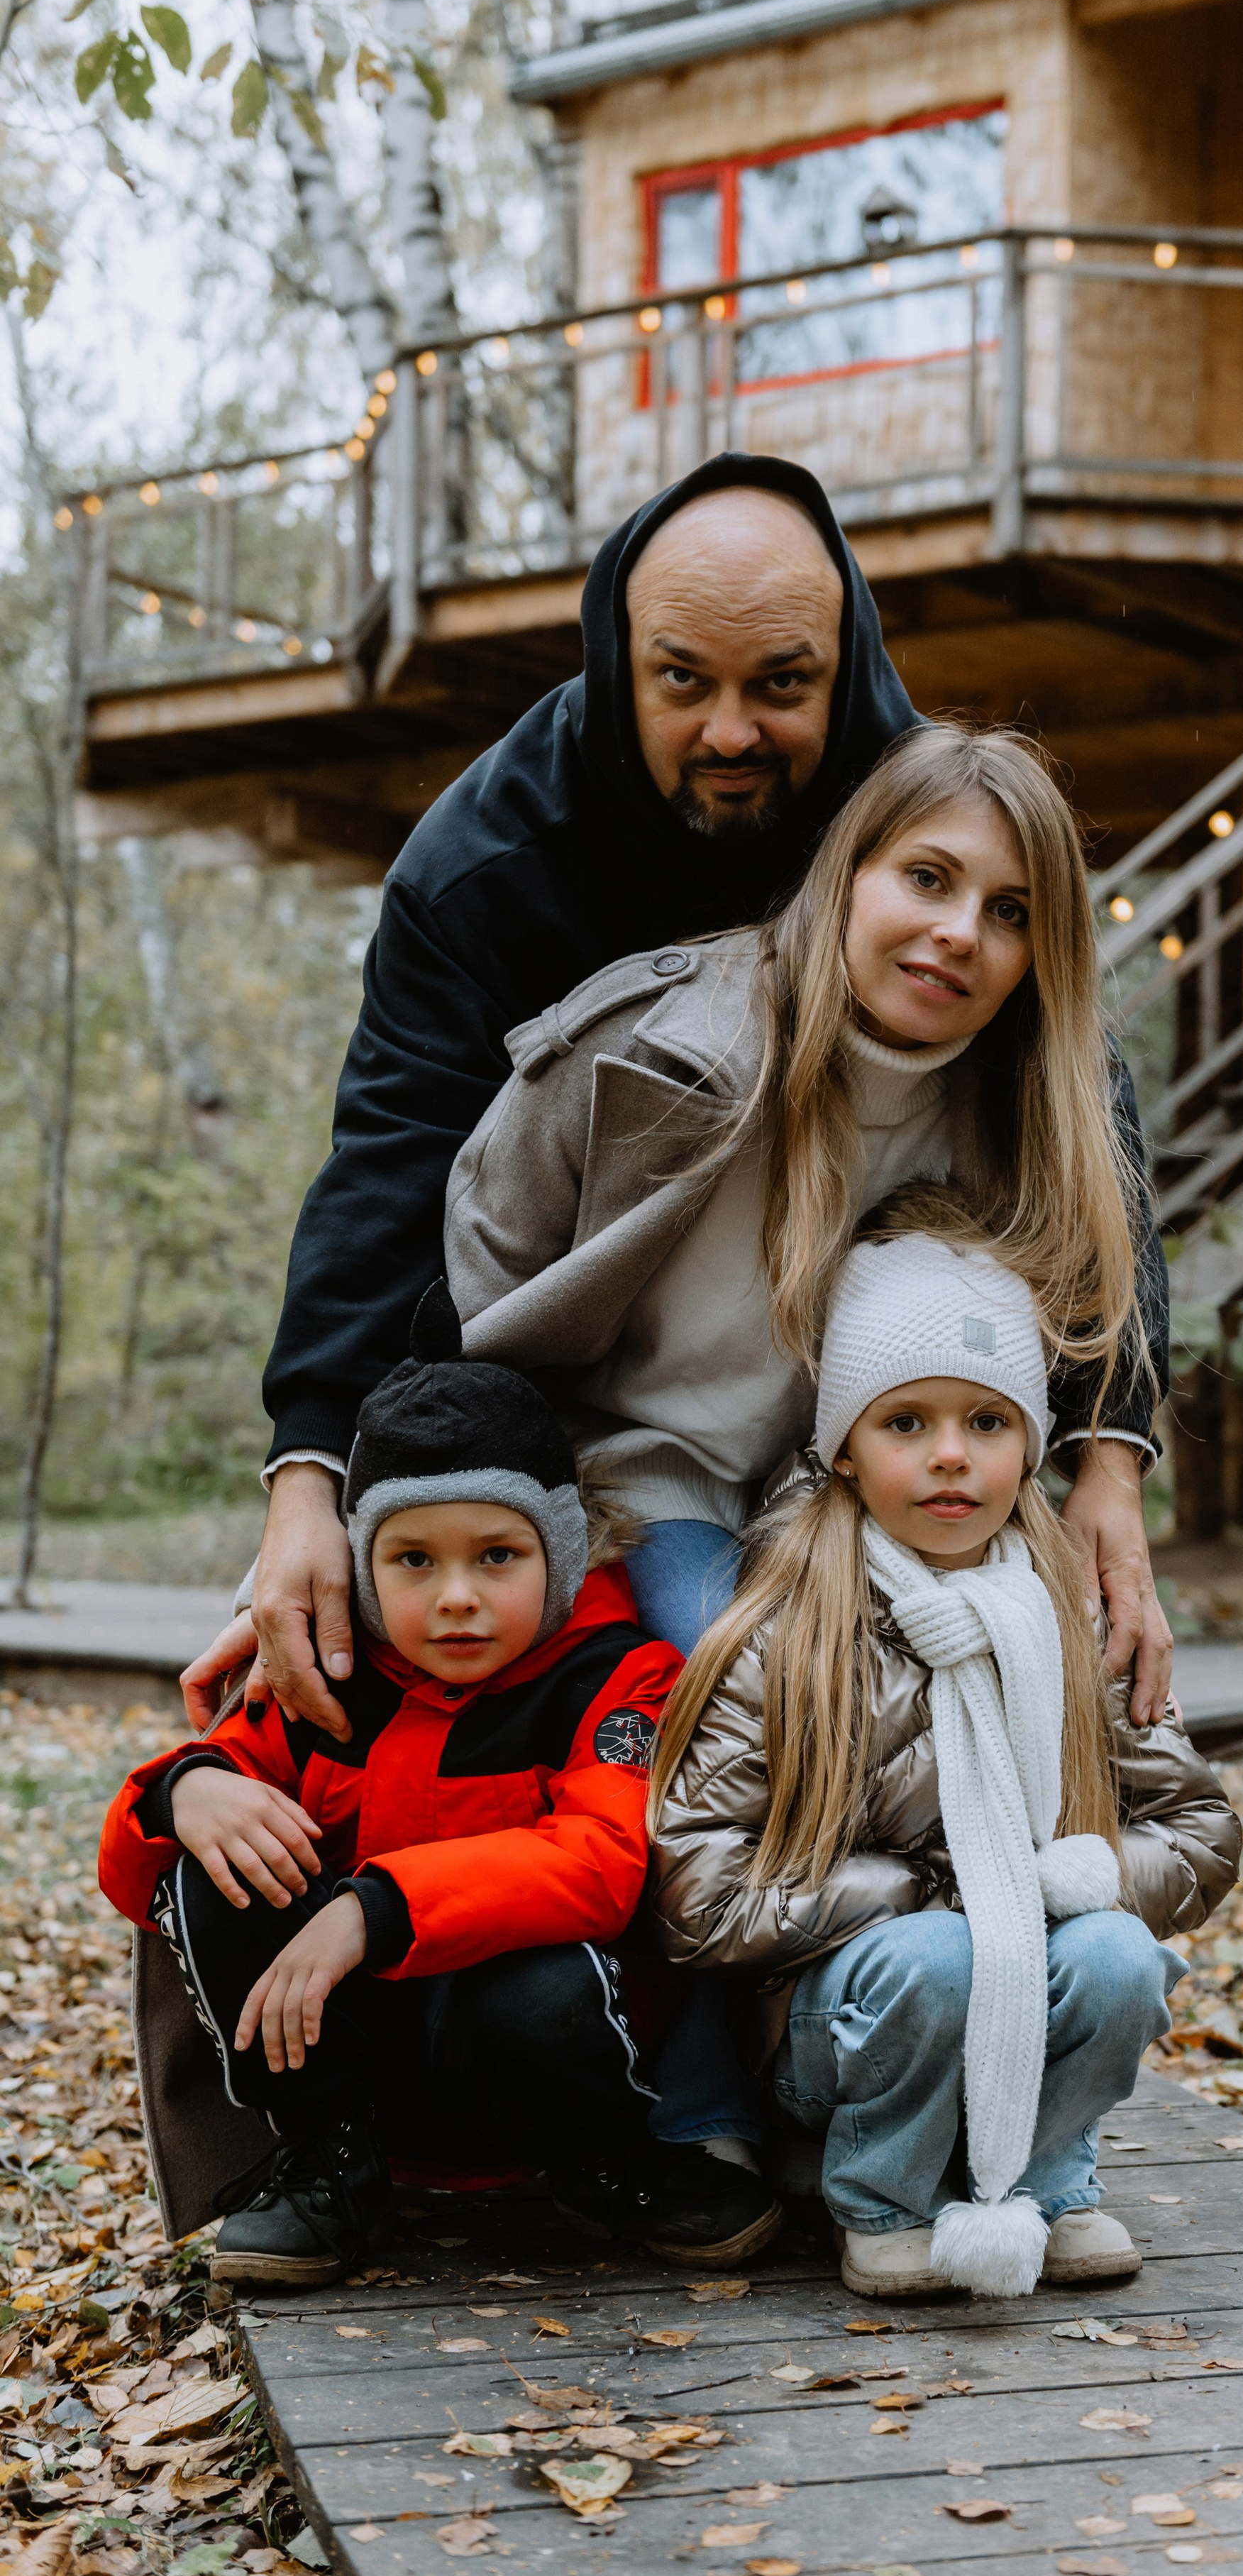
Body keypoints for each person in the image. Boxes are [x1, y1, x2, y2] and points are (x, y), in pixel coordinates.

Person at [181, 453, 1172, 1754]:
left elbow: (1084, 1124)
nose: (730, 731)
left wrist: (1110, 1457)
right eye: (681, 679)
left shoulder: (918, 831)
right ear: (615, 658)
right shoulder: (482, 867)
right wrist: (314, 1479)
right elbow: (390, 1161)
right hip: (602, 1417)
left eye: (782, 684)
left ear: (847, 665)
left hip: (854, 1417)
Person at [445, 721, 1169, 1673]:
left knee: (1022, 1673)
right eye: (927, 878)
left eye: (1011, 913)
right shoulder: (649, 1044)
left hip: (885, 1488)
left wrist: (1111, 1472)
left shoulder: (1035, 1101)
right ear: (849, 872)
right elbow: (482, 1269)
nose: (960, 931)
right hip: (661, 1478)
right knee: (765, 1685)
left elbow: (1110, 1288)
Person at [647, 1203, 1242, 2303]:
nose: (953, 1456)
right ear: (845, 1449)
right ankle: (883, 2197)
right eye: (907, 1424)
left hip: (1031, 1986)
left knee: (1116, 1954)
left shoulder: (1068, 1618)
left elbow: (1200, 1831)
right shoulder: (787, 1632)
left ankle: (1050, 2179)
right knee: (941, 1957)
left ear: (1028, 1442)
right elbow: (698, 1890)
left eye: (989, 1421)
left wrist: (1078, 1882)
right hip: (850, 2021)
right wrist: (929, 1893)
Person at [96, 1287, 732, 2288]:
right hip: (361, 2063)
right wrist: (185, 1793)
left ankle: (609, 2162)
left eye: (498, 1555)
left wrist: (377, 1908)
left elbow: (605, 1865)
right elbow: (135, 1880)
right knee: (208, 1876)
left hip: (532, 2058)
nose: (457, 1596)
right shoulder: (328, 1678)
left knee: (546, 1972)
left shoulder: (616, 1675)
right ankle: (328, 2166)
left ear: (560, 1554)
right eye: (413, 1560)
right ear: (361, 1567)